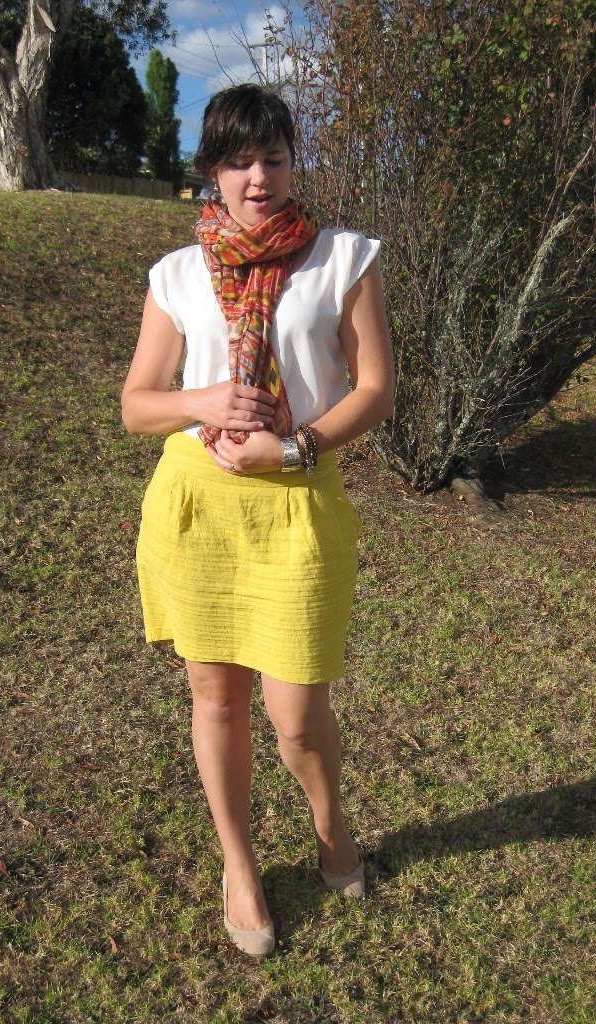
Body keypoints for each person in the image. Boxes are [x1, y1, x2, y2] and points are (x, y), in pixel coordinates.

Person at [122, 84, 394, 958]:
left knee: (298, 714)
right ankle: (239, 868)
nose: (259, 178)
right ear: (212, 170)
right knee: (217, 700)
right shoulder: (177, 273)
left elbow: (376, 390)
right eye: (240, 162)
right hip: (197, 506)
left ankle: (330, 825)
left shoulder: (342, 258)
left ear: (293, 163)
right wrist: (201, 400)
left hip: (297, 503)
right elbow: (137, 405)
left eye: (274, 158)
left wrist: (294, 448)